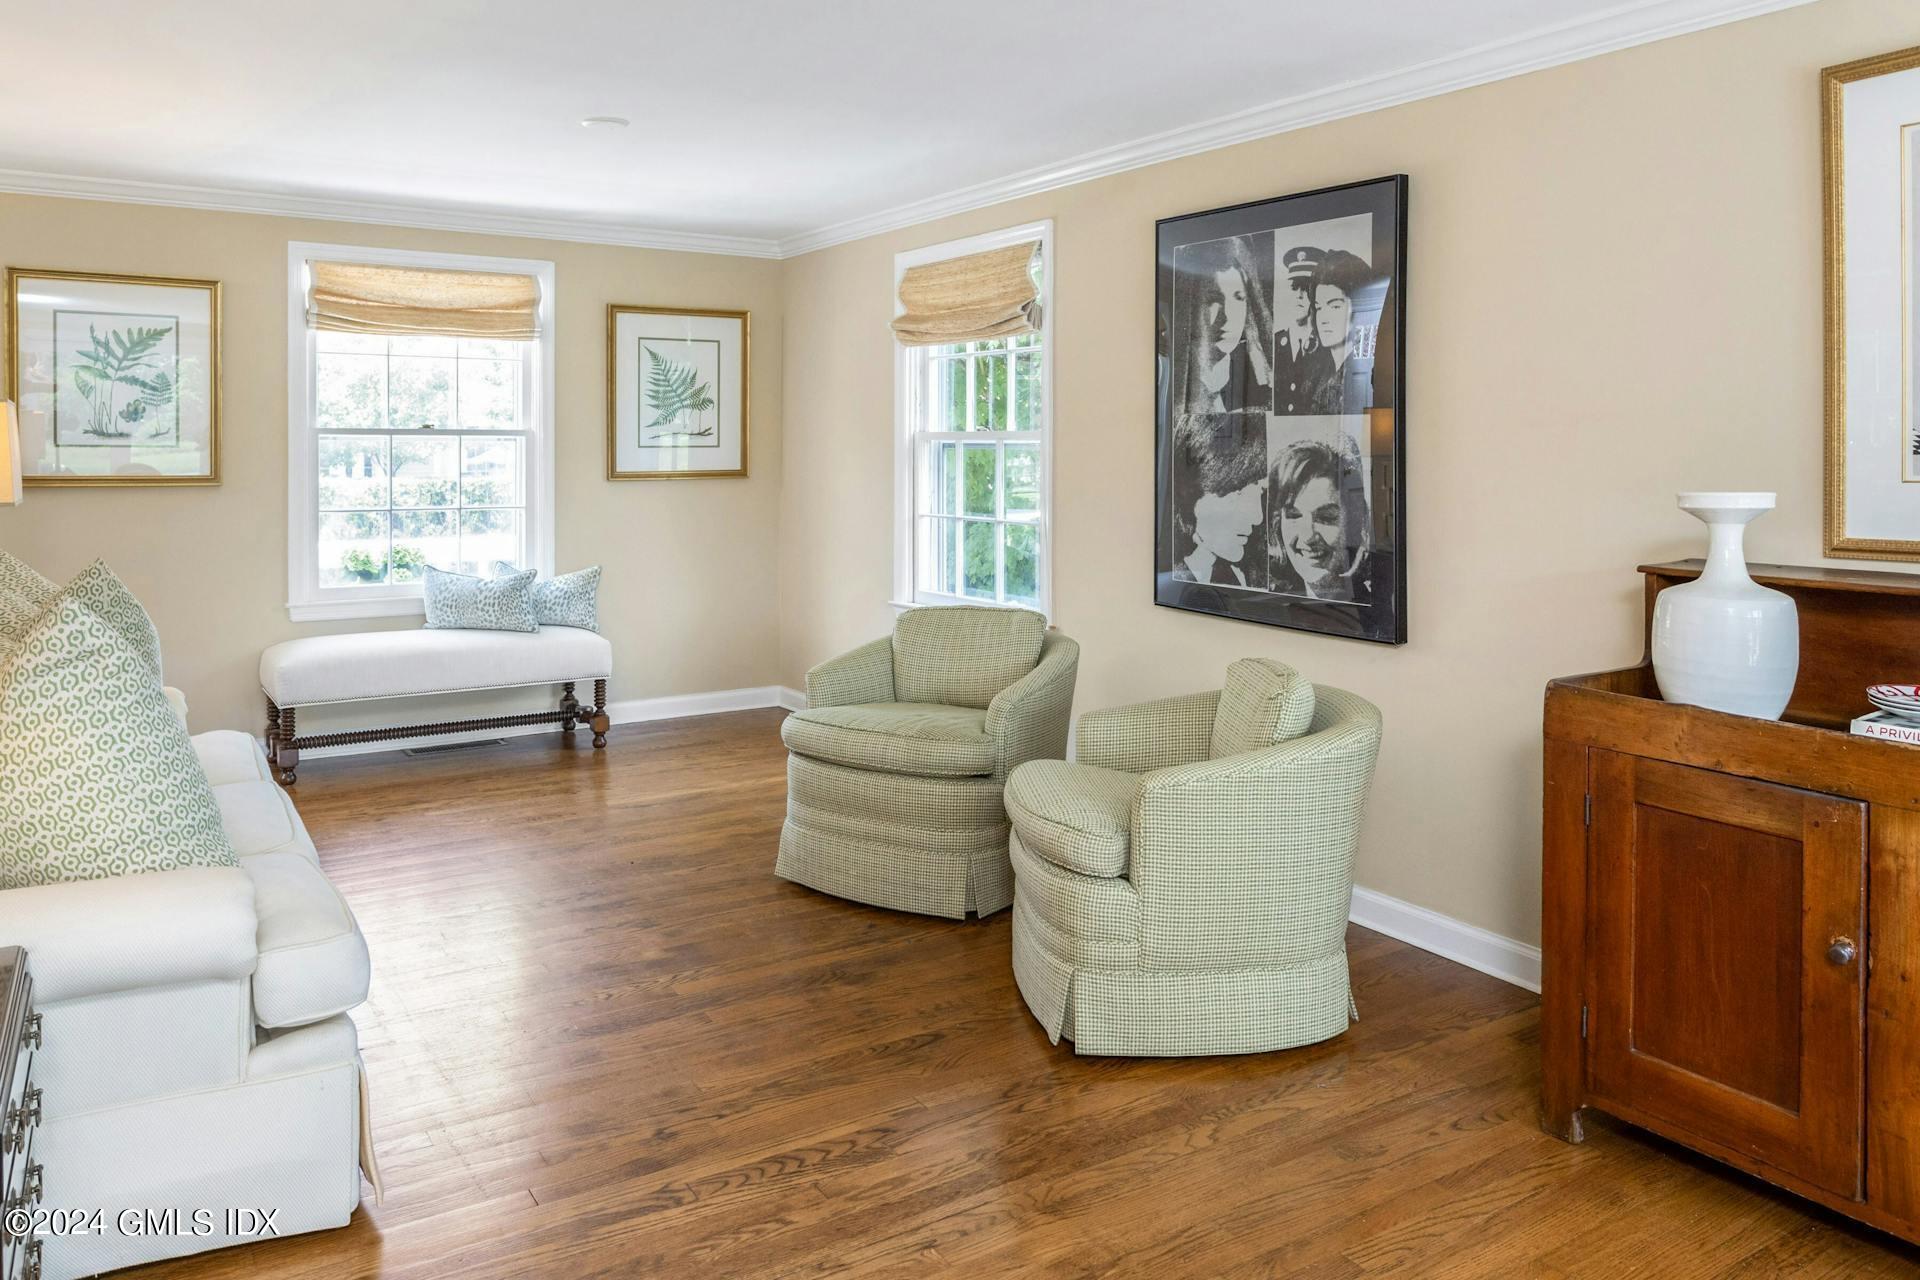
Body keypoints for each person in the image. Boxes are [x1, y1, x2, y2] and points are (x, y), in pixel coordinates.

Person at [1173, 236, 1273, 415]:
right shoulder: (1181, 383)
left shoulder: (1254, 386)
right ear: (1193, 306)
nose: (1227, 315)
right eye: (1214, 300)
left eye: (1238, 298)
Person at [1268, 435, 1372, 603]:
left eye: (1326, 517)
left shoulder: (1376, 606)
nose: (1307, 536)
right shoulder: (1273, 603)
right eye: (1294, 515)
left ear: (1354, 522)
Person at [1170, 415, 1268, 589]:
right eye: (1237, 493)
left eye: (1259, 490)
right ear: (1189, 492)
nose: (1258, 517)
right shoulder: (1170, 574)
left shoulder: (1258, 575)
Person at [1305, 249, 1387, 417]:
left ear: (1357, 308)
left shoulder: (1362, 376)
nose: (1323, 319)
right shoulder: (1316, 374)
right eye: (1319, 307)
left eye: (1335, 306)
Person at [1271, 245, 1323, 415]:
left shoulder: (1325, 347)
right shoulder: (1274, 344)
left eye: (1306, 288)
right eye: (1294, 287)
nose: (1299, 295)